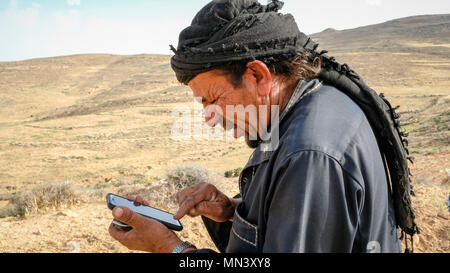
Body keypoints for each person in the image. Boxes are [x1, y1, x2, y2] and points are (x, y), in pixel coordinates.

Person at [108, 0, 418, 253]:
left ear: (258, 76)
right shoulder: (306, 110)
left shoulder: (309, 154)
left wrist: (171, 249)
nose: (210, 116)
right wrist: (231, 212)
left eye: (212, 99)